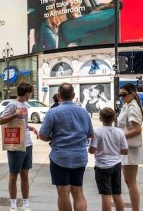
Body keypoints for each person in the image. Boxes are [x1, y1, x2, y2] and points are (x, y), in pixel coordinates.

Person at [39, 83, 94, 211]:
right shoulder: (84, 112)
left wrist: (52, 138)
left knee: (63, 192)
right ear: (73, 96)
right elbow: (90, 134)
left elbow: (42, 135)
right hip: (80, 157)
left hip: (60, 157)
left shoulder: (53, 112)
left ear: (58, 96)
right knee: (78, 191)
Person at [0, 82, 39, 211]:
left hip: (27, 144)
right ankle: (13, 204)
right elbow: (0, 121)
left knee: (25, 175)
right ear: (26, 93)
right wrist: (15, 114)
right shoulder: (12, 104)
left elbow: (23, 123)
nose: (30, 95)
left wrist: (31, 128)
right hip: (16, 144)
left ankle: (26, 203)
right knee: (13, 175)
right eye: (30, 93)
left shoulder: (26, 105)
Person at [89, 107, 128, 211]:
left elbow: (92, 150)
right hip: (116, 165)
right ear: (114, 118)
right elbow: (125, 151)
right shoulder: (120, 132)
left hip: (102, 166)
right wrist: (115, 152)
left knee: (106, 195)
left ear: (100, 118)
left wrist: (91, 149)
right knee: (117, 194)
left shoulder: (97, 132)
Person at [117, 83, 143, 211]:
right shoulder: (127, 105)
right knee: (129, 182)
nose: (122, 97)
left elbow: (137, 129)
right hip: (127, 148)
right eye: (120, 95)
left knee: (131, 183)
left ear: (133, 93)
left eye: (124, 94)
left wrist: (119, 137)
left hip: (131, 149)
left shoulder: (132, 107)